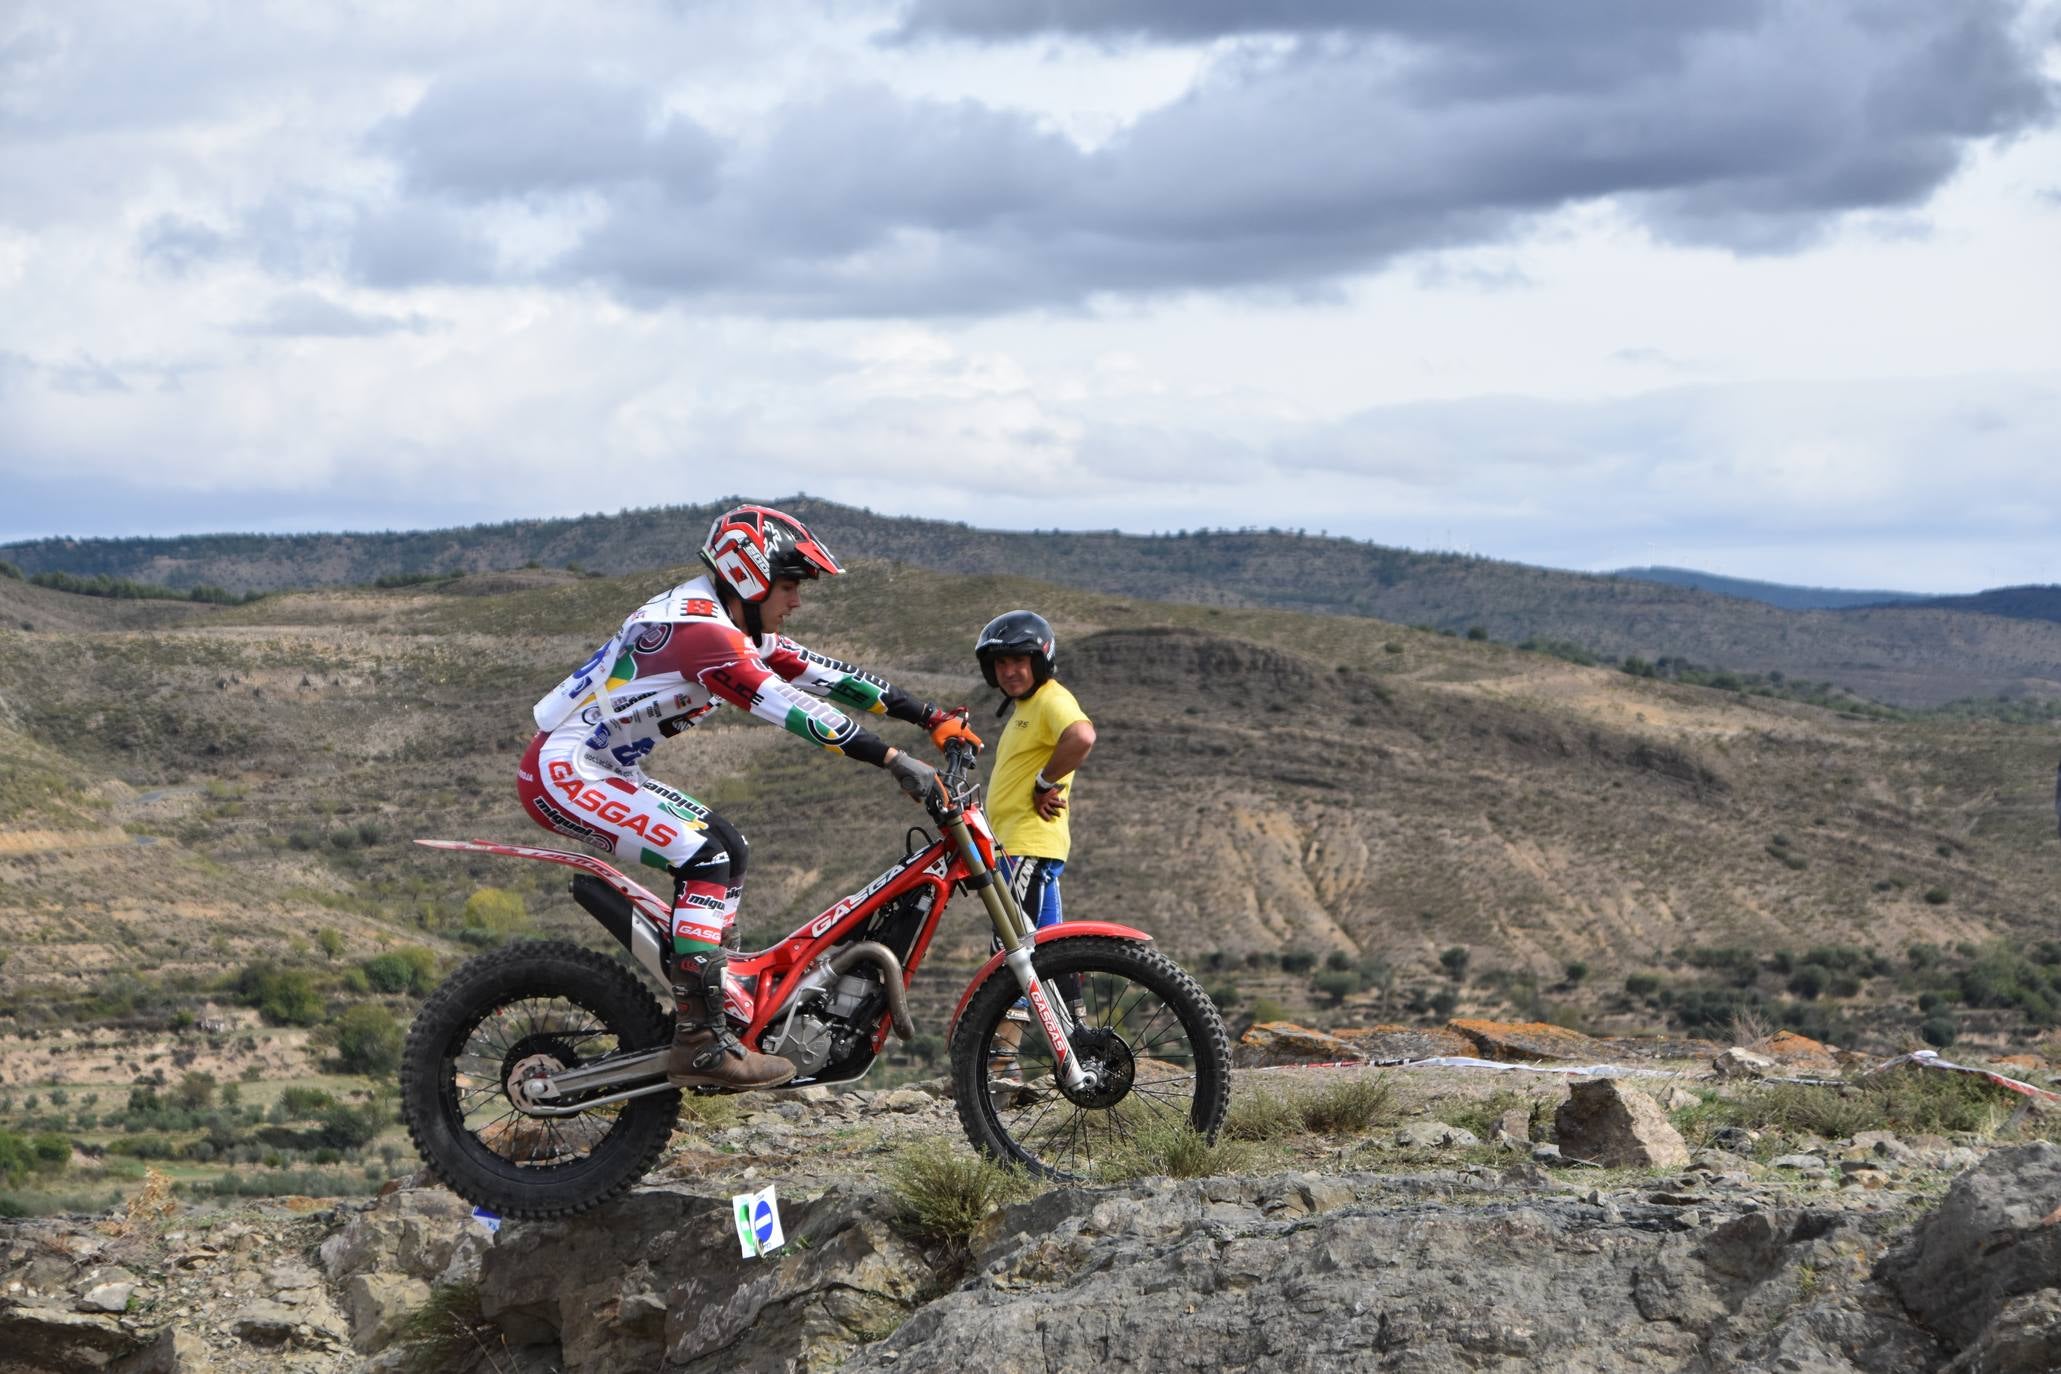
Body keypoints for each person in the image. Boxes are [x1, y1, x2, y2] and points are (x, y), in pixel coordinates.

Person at [518, 503, 977, 1090]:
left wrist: (931, 716)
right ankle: (702, 1041)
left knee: (728, 845)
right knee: (704, 858)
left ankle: (719, 1000)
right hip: (566, 771)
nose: (797, 601)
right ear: (749, 576)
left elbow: (825, 674)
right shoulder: (702, 633)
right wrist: (894, 760)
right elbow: (794, 709)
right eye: (790, 585)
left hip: (601, 765)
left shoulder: (728, 621)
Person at [973, 610, 1096, 1081]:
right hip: (1024, 850)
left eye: (1019, 661)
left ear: (1040, 661)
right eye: (1001, 663)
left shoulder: (1050, 700)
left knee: (1011, 955)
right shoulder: (1027, 709)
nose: (1009, 671)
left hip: (1025, 848)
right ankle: (1083, 1051)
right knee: (1054, 954)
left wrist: (1046, 779)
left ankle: (1001, 1070)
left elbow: (1082, 736)